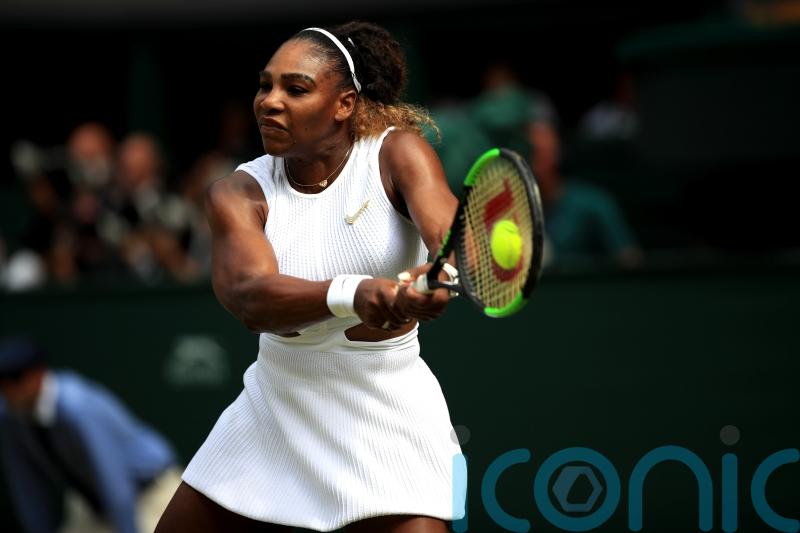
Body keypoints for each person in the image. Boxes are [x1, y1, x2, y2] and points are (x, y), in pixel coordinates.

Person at [156, 21, 464, 533]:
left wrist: (441, 274)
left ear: (344, 104)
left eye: (295, 89)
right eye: (265, 85)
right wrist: (355, 293)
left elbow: (449, 236)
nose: (269, 101)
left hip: (388, 410)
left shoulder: (396, 153)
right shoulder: (237, 192)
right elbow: (251, 298)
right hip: (275, 409)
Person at [0, 338, 181, 533]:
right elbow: (28, 488)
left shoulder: (77, 408)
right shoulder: (10, 415)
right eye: (3, 383)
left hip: (151, 495)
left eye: (16, 379)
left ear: (38, 375)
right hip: (94, 505)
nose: (9, 390)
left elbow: (116, 486)